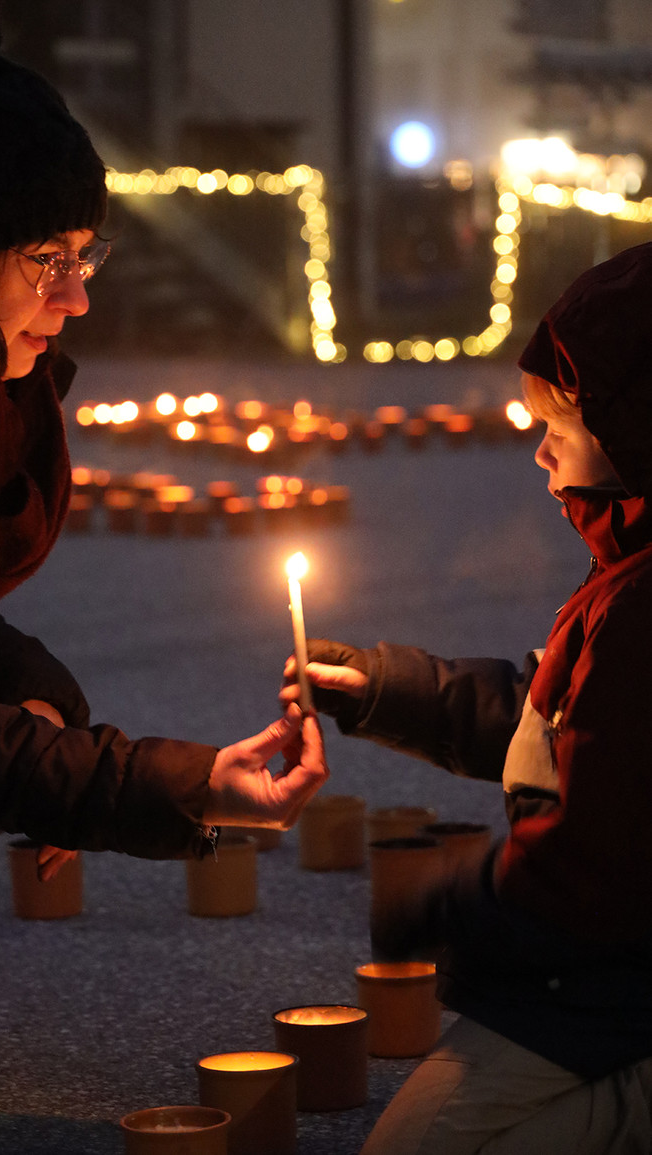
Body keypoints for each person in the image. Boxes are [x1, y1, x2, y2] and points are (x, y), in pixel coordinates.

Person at [0, 0, 327, 893]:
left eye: (86, 257)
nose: (78, 298)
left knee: (19, 719)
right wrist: (192, 785)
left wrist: (51, 709)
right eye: (50, 259)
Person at [282, 242, 652, 1153]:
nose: (538, 453)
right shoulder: (626, 580)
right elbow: (554, 716)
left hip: (612, 978)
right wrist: (388, 688)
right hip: (598, 970)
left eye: (559, 427)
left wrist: (448, 906)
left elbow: (599, 859)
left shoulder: (645, 605)